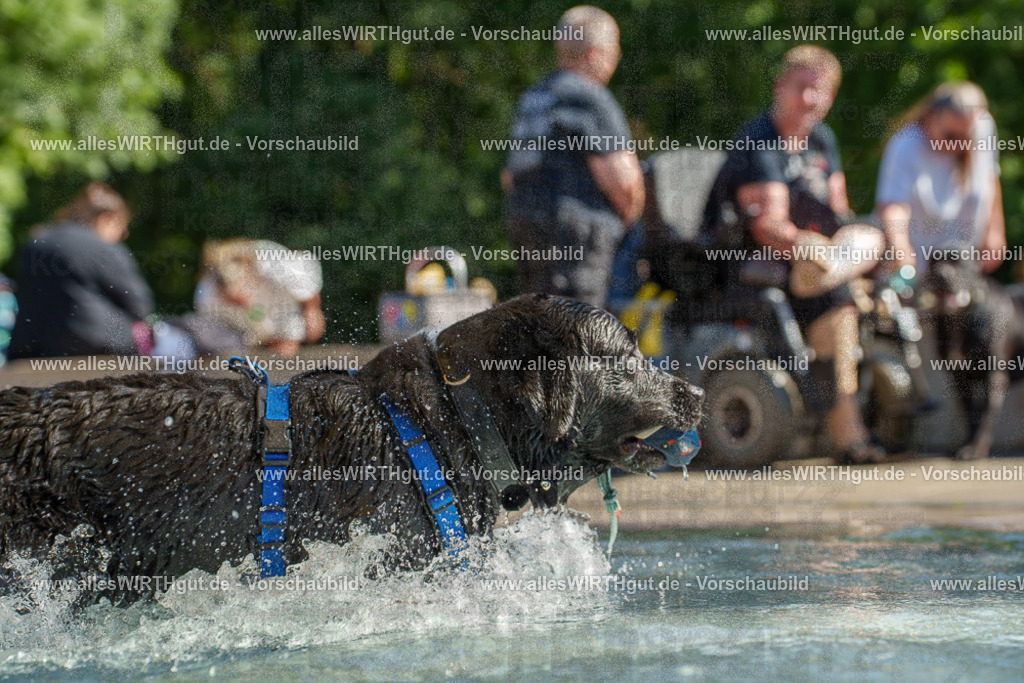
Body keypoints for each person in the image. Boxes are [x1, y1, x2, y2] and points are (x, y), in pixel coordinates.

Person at [701, 45, 887, 464]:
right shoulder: (759, 140)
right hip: (755, 265)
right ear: (779, 87)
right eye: (802, 88)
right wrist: (816, 250)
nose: (810, 99)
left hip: (819, 265)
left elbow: (838, 213)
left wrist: (841, 252)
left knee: (870, 236)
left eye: (820, 91)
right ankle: (846, 423)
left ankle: (831, 274)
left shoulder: (822, 140)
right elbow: (768, 227)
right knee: (839, 298)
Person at [502, 5, 644, 307]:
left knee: (538, 322)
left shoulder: (535, 97)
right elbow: (623, 180)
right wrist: (629, 225)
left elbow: (510, 176)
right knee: (578, 330)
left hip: (526, 224)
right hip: (577, 234)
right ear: (594, 54)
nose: (616, 59)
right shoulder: (590, 97)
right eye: (613, 50)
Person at [8, 182, 154, 359]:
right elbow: (140, 305)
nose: (122, 235)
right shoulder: (100, 247)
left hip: (29, 349)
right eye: (121, 227)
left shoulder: (36, 242)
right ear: (106, 218)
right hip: (94, 346)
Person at [875, 81, 1005, 275]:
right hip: (917, 264)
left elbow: (990, 178)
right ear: (929, 117)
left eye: (965, 137)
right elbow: (894, 204)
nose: (957, 145)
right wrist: (901, 250)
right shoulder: (906, 145)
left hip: (962, 265)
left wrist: (995, 230)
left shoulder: (983, 128)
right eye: (950, 136)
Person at [193, 238, 324, 356]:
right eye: (233, 300)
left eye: (241, 292)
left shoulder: (273, 262)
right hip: (249, 328)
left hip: (284, 303)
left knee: (309, 333)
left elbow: (307, 270)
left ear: (250, 276)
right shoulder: (206, 297)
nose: (241, 301)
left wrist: (311, 308)